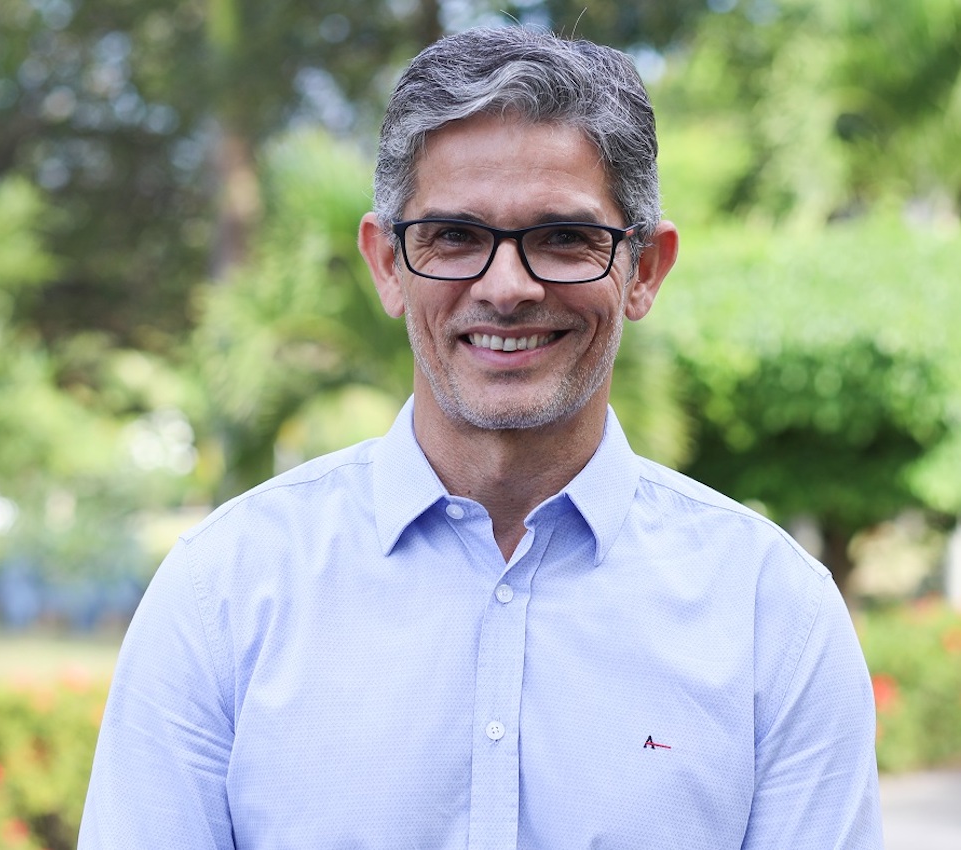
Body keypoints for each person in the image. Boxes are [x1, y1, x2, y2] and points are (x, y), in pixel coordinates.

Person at [79, 26, 882, 849]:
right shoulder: (225, 594)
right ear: (388, 264)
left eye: (565, 237)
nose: (507, 287)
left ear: (644, 270)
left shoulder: (772, 615)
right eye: (455, 236)